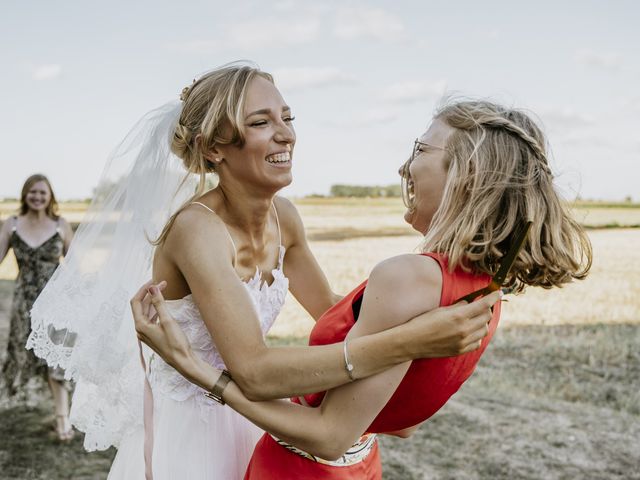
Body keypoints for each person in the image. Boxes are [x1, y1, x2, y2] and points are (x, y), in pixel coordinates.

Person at [26, 63, 497, 479]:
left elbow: (337, 318)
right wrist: (410, 342)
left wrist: (406, 352)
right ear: (214, 148)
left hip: (259, 416)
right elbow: (251, 368)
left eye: (287, 118)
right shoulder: (196, 230)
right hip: (195, 426)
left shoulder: (284, 217)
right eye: (260, 122)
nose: (286, 134)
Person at [133, 99, 593, 479]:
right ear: (213, 148)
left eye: (420, 150)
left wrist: (195, 367)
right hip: (341, 456)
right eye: (261, 120)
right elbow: (392, 396)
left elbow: (323, 423)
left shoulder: (409, 278)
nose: (403, 166)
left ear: (467, 174)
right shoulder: (483, 291)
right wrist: (400, 345)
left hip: (296, 456)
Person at [0, 174, 75, 440]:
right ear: (25, 194)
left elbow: (75, 264)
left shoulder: (60, 225)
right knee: (28, 357)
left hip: (56, 301)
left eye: (42, 193)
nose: (37, 197)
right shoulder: (12, 224)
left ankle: (62, 420)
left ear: (50, 196)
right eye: (33, 192)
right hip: (25, 303)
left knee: (55, 358)